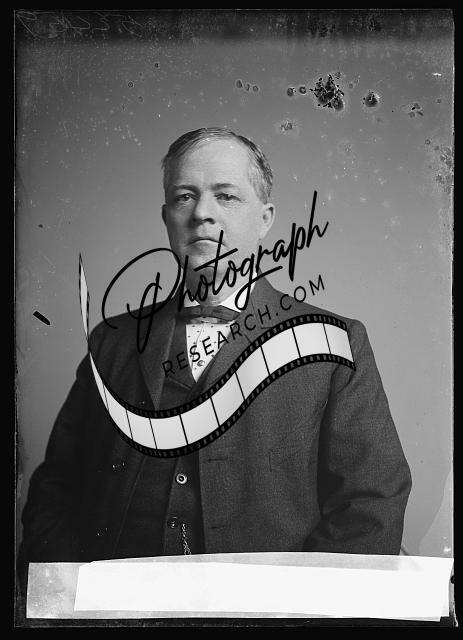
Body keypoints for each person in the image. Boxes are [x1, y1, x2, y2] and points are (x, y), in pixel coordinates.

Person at [18, 127, 412, 586]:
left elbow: (372, 503)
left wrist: (295, 609)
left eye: (226, 196)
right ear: (166, 217)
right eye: (184, 196)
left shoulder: (336, 341)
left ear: (265, 219)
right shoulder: (110, 342)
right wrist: (70, 592)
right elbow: (56, 487)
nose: (202, 213)